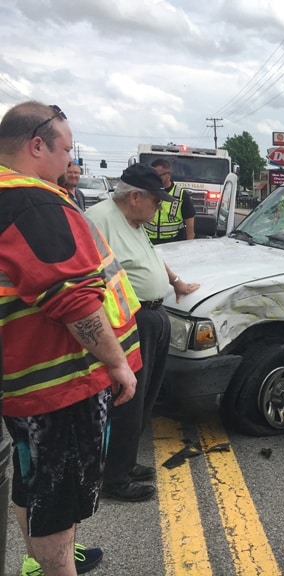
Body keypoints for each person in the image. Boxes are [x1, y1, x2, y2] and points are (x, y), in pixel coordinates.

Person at [0, 101, 141, 575]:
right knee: (59, 497)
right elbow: (72, 299)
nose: (71, 161)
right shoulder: (33, 201)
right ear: (37, 145)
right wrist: (118, 363)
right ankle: (55, 565)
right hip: (58, 386)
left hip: (26, 384)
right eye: (66, 148)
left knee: (32, 480)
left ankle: (36, 563)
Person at [86, 163, 200, 502]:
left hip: (151, 315)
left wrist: (175, 282)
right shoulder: (99, 220)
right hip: (127, 322)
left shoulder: (133, 220)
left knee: (145, 396)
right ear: (135, 196)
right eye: (156, 200)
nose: (160, 206)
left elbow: (148, 258)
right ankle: (114, 478)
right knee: (127, 398)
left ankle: (124, 461)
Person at [144, 158, 196, 244]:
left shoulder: (181, 195)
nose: (155, 178)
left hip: (173, 245)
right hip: (148, 243)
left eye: (158, 175)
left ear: (168, 174)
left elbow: (190, 225)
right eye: (153, 175)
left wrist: (189, 246)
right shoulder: (147, 192)